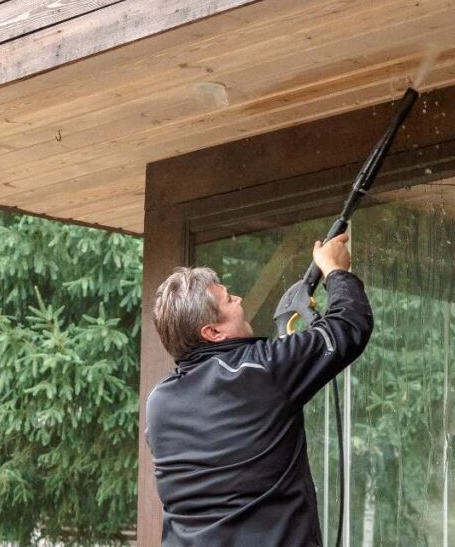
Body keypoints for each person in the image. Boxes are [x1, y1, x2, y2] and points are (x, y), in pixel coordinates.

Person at [145, 233, 373, 546]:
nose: (238, 299)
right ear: (212, 332)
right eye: (229, 299)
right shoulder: (260, 371)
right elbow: (347, 326)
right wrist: (335, 271)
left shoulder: (160, 401)